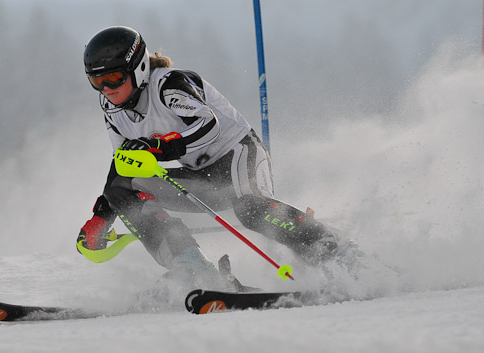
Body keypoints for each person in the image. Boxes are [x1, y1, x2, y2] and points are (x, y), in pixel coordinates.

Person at [77, 26, 351, 291]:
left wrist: (162, 146)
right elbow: (123, 163)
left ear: (138, 69)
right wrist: (102, 215)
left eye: (113, 78)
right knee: (122, 189)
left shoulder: (168, 84)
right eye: (96, 81)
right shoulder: (112, 109)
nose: (106, 89)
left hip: (238, 155)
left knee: (249, 209)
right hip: (202, 177)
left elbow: (209, 125)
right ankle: (193, 269)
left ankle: (340, 255)